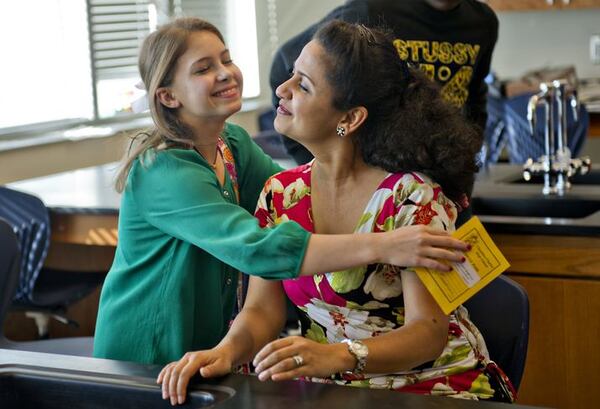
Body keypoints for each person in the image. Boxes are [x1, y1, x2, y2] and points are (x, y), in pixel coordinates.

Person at [158, 21, 515, 405]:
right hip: (333, 389)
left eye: (304, 84)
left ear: (349, 118)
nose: (283, 89)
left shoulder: (413, 197)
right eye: (292, 74)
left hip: (432, 386)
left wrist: (336, 356)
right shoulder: (281, 194)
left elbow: (428, 334)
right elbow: (261, 311)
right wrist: (226, 352)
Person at [93, 17, 470, 367]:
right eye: (204, 68)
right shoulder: (161, 170)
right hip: (148, 352)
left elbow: (290, 208)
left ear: (350, 117)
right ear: (168, 97)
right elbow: (260, 248)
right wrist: (384, 244)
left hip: (218, 353)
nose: (226, 74)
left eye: (225, 59)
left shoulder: (235, 146)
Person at [271, 0, 498, 165]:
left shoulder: (483, 23)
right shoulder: (369, 10)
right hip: (381, 178)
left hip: (448, 175)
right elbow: (285, 63)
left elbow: (476, 93)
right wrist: (316, 161)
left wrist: (468, 149)